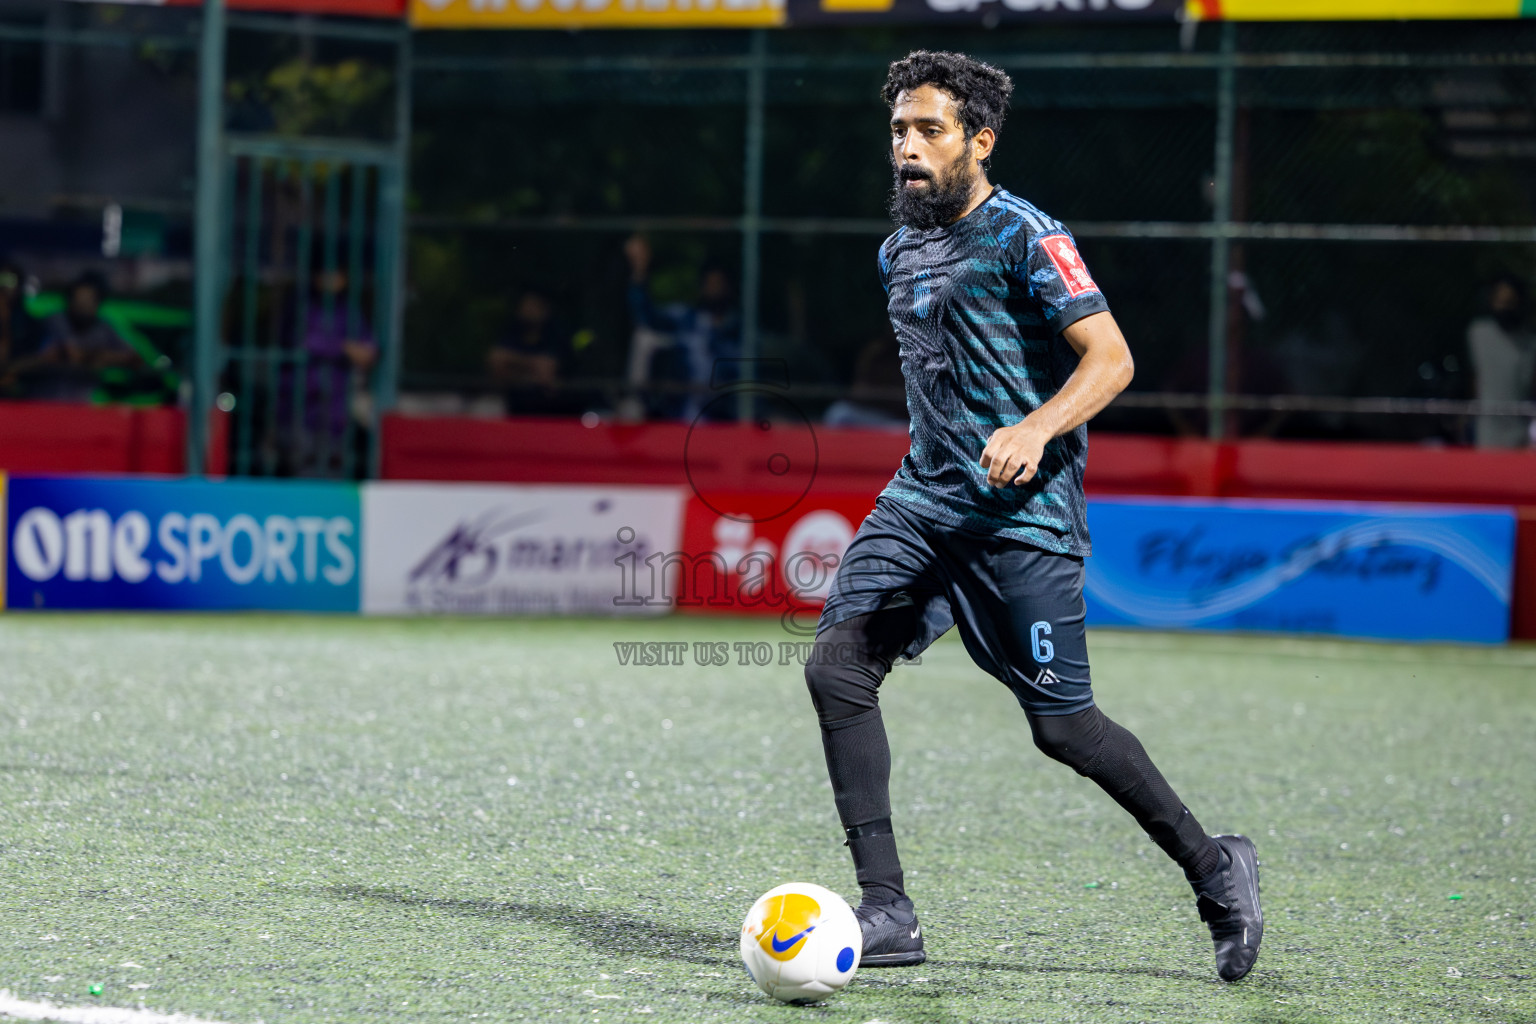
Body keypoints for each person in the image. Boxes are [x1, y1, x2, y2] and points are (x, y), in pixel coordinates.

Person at [801, 51, 1262, 983]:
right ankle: (889, 911)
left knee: (1064, 730)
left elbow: (1112, 359)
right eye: (898, 130)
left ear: (980, 140)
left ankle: (1217, 869)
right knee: (836, 666)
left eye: (929, 130)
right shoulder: (896, 249)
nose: (907, 149)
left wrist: (1036, 425)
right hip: (924, 503)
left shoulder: (1026, 234)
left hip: (1024, 519)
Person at [622, 235, 740, 421]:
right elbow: (647, 317)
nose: (714, 288)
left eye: (719, 283)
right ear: (701, 287)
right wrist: (640, 272)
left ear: (729, 287)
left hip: (722, 424)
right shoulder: (685, 319)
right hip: (680, 419)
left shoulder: (739, 332)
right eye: (710, 283)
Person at [25, 271, 139, 401]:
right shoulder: (56, 321)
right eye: (79, 299)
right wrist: (98, 357)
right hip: (46, 402)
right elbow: (72, 354)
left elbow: (134, 359)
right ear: (70, 300)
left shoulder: (104, 328)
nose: (83, 305)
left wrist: (105, 357)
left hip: (82, 405)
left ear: (98, 303)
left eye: (88, 300)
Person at [1467, 274, 1536, 449]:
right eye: (1500, 300)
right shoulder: (1478, 334)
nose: (1504, 306)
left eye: (1510, 301)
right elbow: (1475, 378)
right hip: (1488, 432)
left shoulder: (1529, 343)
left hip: (1521, 433)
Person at [488, 290, 576, 416]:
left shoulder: (555, 337)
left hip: (551, 407)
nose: (528, 310)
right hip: (515, 405)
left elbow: (546, 370)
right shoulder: (511, 335)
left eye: (533, 306)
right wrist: (533, 370)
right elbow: (497, 361)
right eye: (525, 306)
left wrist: (515, 366)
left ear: (544, 311)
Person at [0, 259, 43, 398]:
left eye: (9, 281)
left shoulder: (31, 325)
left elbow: (41, 359)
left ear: (19, 287)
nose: (3, 287)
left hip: (21, 393)